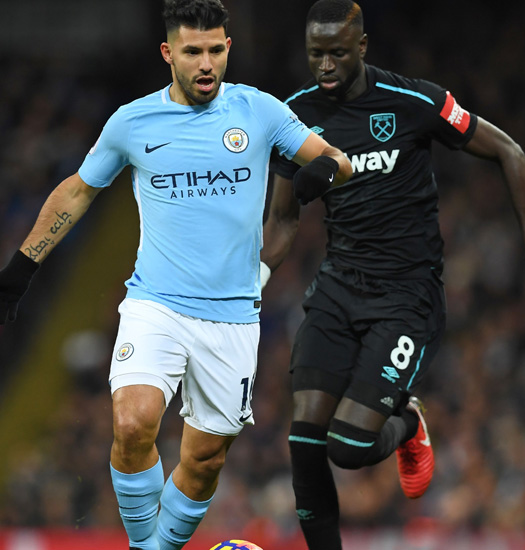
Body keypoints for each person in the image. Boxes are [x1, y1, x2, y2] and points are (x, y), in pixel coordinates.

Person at [0, 1, 352, 549]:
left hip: (233, 318)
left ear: (228, 48)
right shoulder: (132, 122)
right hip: (155, 304)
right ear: (169, 53)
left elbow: (337, 159)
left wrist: (323, 169)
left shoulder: (258, 111)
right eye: (193, 52)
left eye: (216, 50)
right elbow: (77, 191)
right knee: (134, 421)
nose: (206, 63)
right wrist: (19, 270)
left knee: (205, 458)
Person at [262, 1, 525, 549]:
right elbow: (280, 222)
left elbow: (511, 153)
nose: (324, 65)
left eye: (337, 53)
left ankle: (409, 426)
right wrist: (250, 282)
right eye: (315, 54)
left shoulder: (414, 102)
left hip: (406, 300)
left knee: (346, 448)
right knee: (303, 438)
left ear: (363, 48)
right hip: (338, 290)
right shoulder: (293, 116)